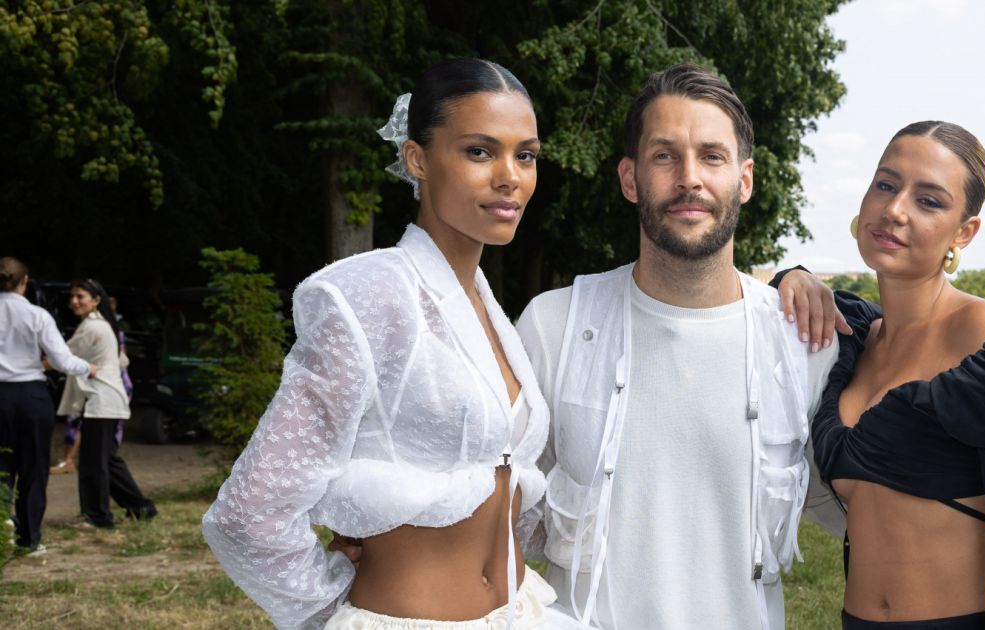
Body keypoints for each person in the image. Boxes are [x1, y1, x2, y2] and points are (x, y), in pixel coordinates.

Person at [203, 59, 581, 629]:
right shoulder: (370, 295)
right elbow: (249, 510)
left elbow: (504, 485)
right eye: (480, 151)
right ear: (417, 159)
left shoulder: (490, 312)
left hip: (520, 611)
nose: (510, 176)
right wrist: (327, 602)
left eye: (524, 154)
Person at [513, 64, 844, 630]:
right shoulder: (555, 325)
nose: (690, 178)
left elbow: (855, 506)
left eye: (712, 156)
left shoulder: (802, 341)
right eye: (665, 155)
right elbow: (493, 517)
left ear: (745, 179)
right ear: (630, 178)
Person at [774, 121, 985, 629]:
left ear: (964, 232)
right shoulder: (853, 340)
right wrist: (793, 276)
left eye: (929, 201)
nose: (894, 210)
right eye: (886, 185)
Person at [0, 257, 96, 555]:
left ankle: (2, 534)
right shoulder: (37, 315)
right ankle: (30, 539)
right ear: (24, 282)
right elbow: (61, 359)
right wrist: (87, 368)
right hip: (31, 396)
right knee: (34, 468)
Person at [58, 278, 157, 528]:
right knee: (107, 461)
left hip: (101, 402)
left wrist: (30, 366)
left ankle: (98, 517)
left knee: (93, 463)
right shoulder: (105, 326)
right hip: (107, 400)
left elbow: (61, 357)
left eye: (80, 296)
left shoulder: (92, 327)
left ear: (96, 300)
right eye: (72, 296)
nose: (74, 301)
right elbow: (122, 361)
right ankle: (141, 508)